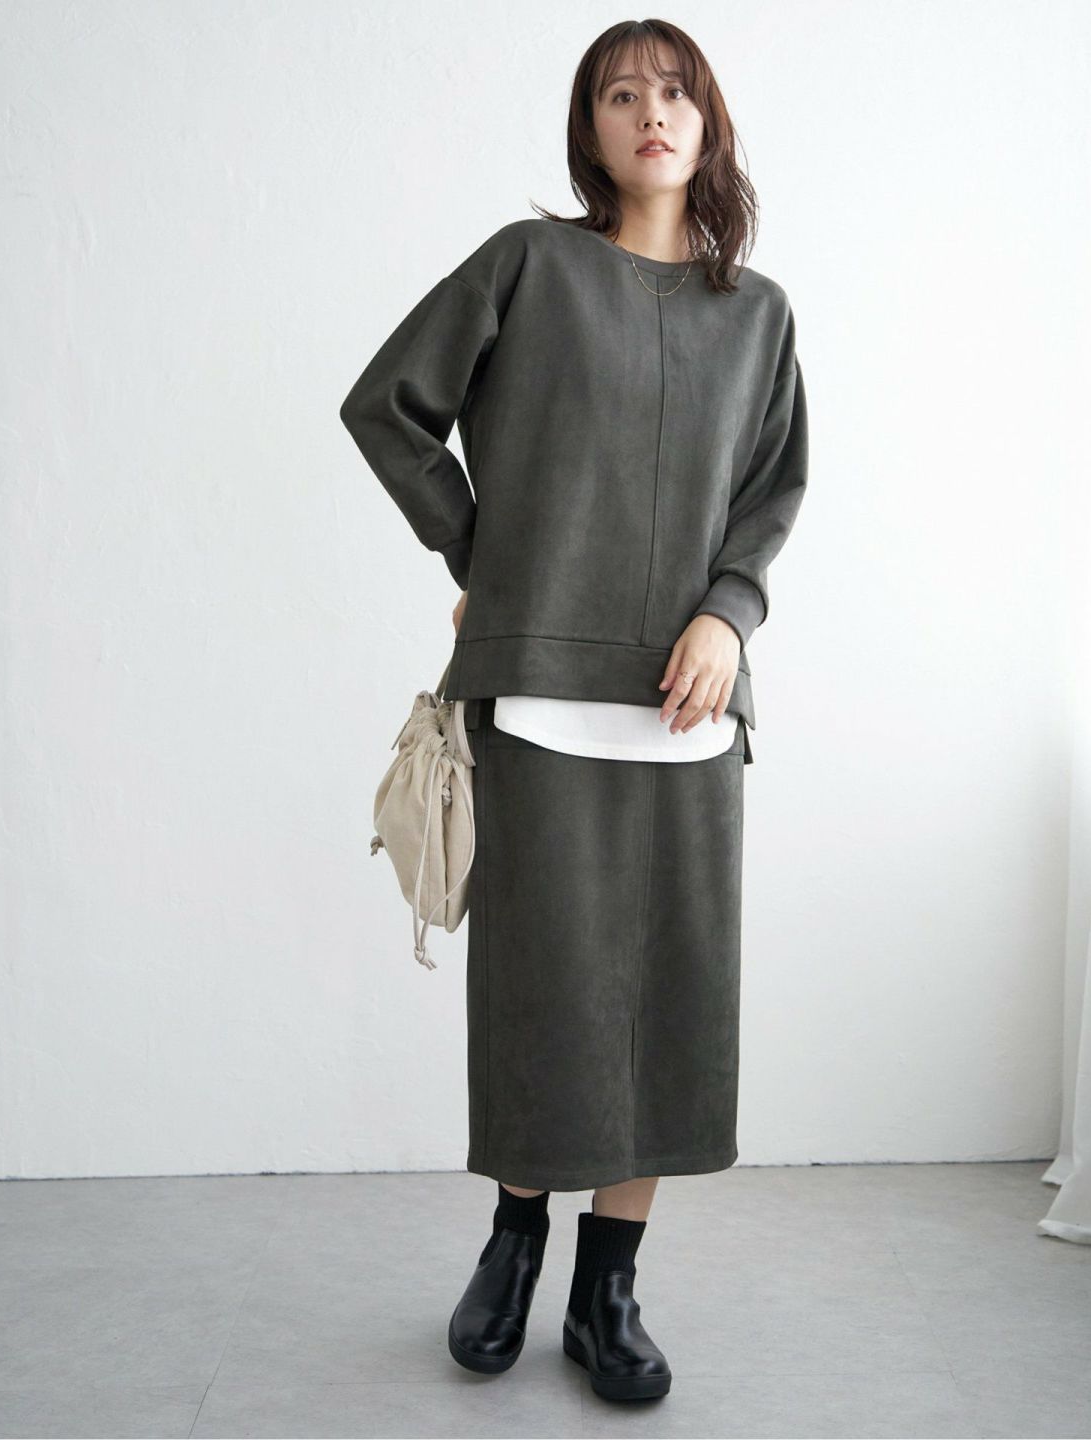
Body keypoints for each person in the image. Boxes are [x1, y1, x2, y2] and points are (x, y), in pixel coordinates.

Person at [339, 17, 809, 1404]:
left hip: (686, 712)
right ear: (589, 129)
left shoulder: (759, 314)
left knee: (666, 1002)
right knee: (541, 996)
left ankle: (611, 1288)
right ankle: (514, 1242)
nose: (650, 113)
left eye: (674, 93)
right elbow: (387, 407)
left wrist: (730, 612)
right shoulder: (529, 265)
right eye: (620, 94)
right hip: (540, 703)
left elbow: (772, 493)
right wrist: (484, 558)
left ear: (707, 125)